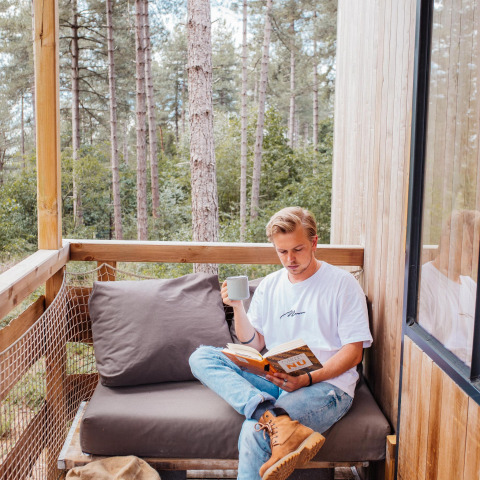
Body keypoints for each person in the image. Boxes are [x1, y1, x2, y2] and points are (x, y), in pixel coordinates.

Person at [189, 207, 373, 480]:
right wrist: (238, 308)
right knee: (202, 357)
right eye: (282, 252)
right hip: (276, 379)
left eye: (297, 249)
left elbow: (353, 353)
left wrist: (306, 379)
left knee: (255, 432)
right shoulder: (270, 285)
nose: (290, 259)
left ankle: (268, 420)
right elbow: (254, 342)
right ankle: (269, 414)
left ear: (314, 242)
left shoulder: (342, 284)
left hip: (326, 387)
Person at [419, 209, 480, 366]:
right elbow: (424, 353)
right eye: (470, 248)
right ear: (450, 243)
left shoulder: (472, 288)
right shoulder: (423, 284)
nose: (475, 257)